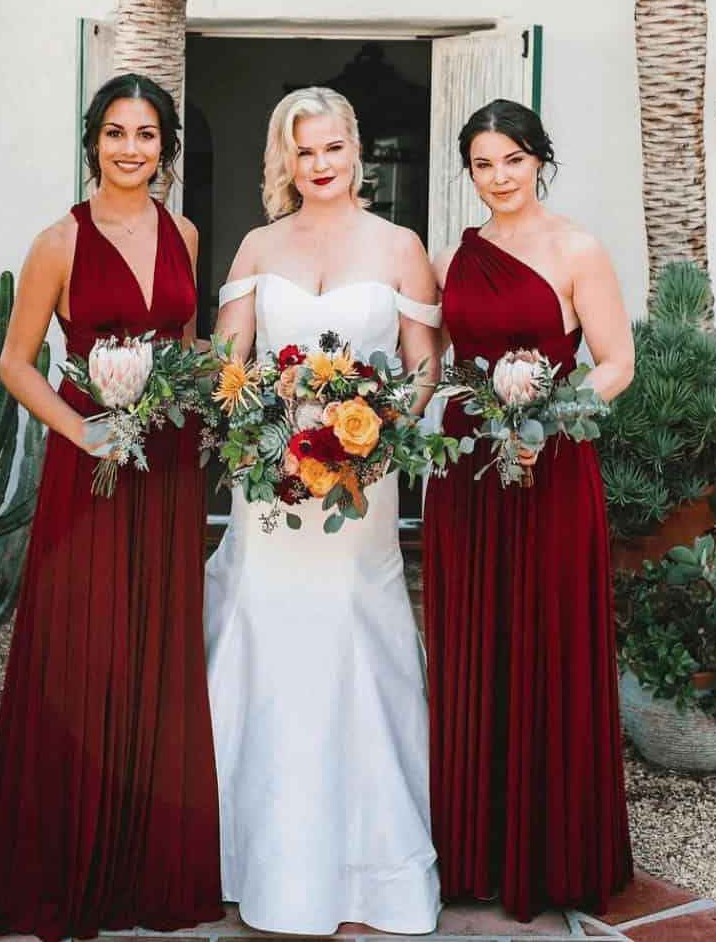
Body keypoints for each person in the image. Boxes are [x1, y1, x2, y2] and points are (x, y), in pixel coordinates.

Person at [0, 74, 223, 941]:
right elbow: (17, 362)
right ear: (93, 142)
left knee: (156, 645)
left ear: (166, 147)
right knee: (85, 652)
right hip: (90, 470)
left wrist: (197, 418)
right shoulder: (59, 241)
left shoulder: (184, 232)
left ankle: (145, 861)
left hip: (164, 468)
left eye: (149, 134)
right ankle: (74, 855)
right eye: (117, 133)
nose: (133, 149)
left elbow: (188, 346)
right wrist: (81, 435)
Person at [205, 86, 442, 935]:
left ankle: (367, 869)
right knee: (266, 638)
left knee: (352, 638)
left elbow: (422, 369)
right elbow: (226, 364)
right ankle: (252, 858)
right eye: (304, 152)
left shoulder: (400, 246)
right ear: (286, 159)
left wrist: (375, 439)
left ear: (355, 146)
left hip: (360, 488)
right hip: (269, 492)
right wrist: (261, 430)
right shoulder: (257, 245)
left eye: (333, 147)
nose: (321, 165)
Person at [425, 98, 634, 922]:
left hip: (552, 467)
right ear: (469, 172)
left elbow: (616, 362)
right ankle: (473, 849)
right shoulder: (456, 255)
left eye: (512, 159)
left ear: (539, 159)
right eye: (482, 164)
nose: (499, 177)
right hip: (470, 471)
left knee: (546, 639)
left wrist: (548, 421)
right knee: (475, 641)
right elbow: (433, 357)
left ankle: (551, 855)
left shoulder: (577, 248)